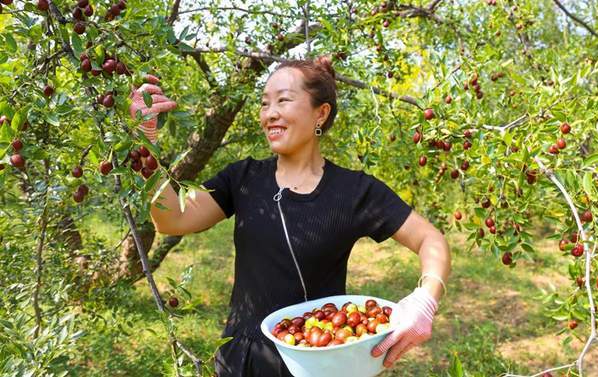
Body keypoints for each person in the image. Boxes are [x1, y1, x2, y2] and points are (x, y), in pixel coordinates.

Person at [130, 56, 451, 377]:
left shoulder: (354, 191)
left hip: (321, 363)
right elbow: (172, 219)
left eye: (283, 100)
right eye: (264, 103)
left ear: (320, 114)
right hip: (242, 361)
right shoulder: (242, 178)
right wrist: (145, 143)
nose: (270, 114)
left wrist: (425, 299)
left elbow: (430, 239)